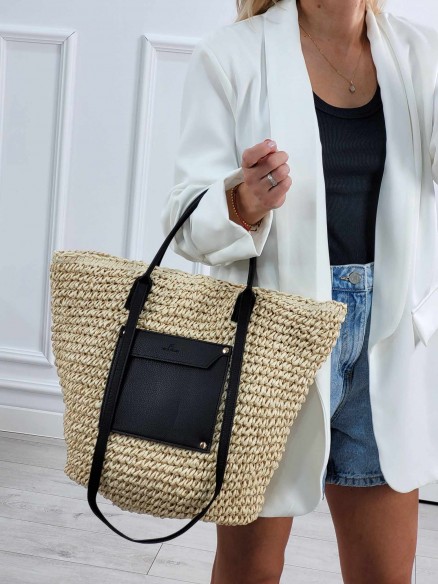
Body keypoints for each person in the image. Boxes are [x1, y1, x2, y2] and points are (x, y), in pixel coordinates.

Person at [161, 1, 438, 582]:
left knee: (386, 575)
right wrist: (242, 200)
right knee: (250, 570)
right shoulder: (230, 56)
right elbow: (182, 223)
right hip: (273, 340)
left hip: (388, 339)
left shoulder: (421, 54)